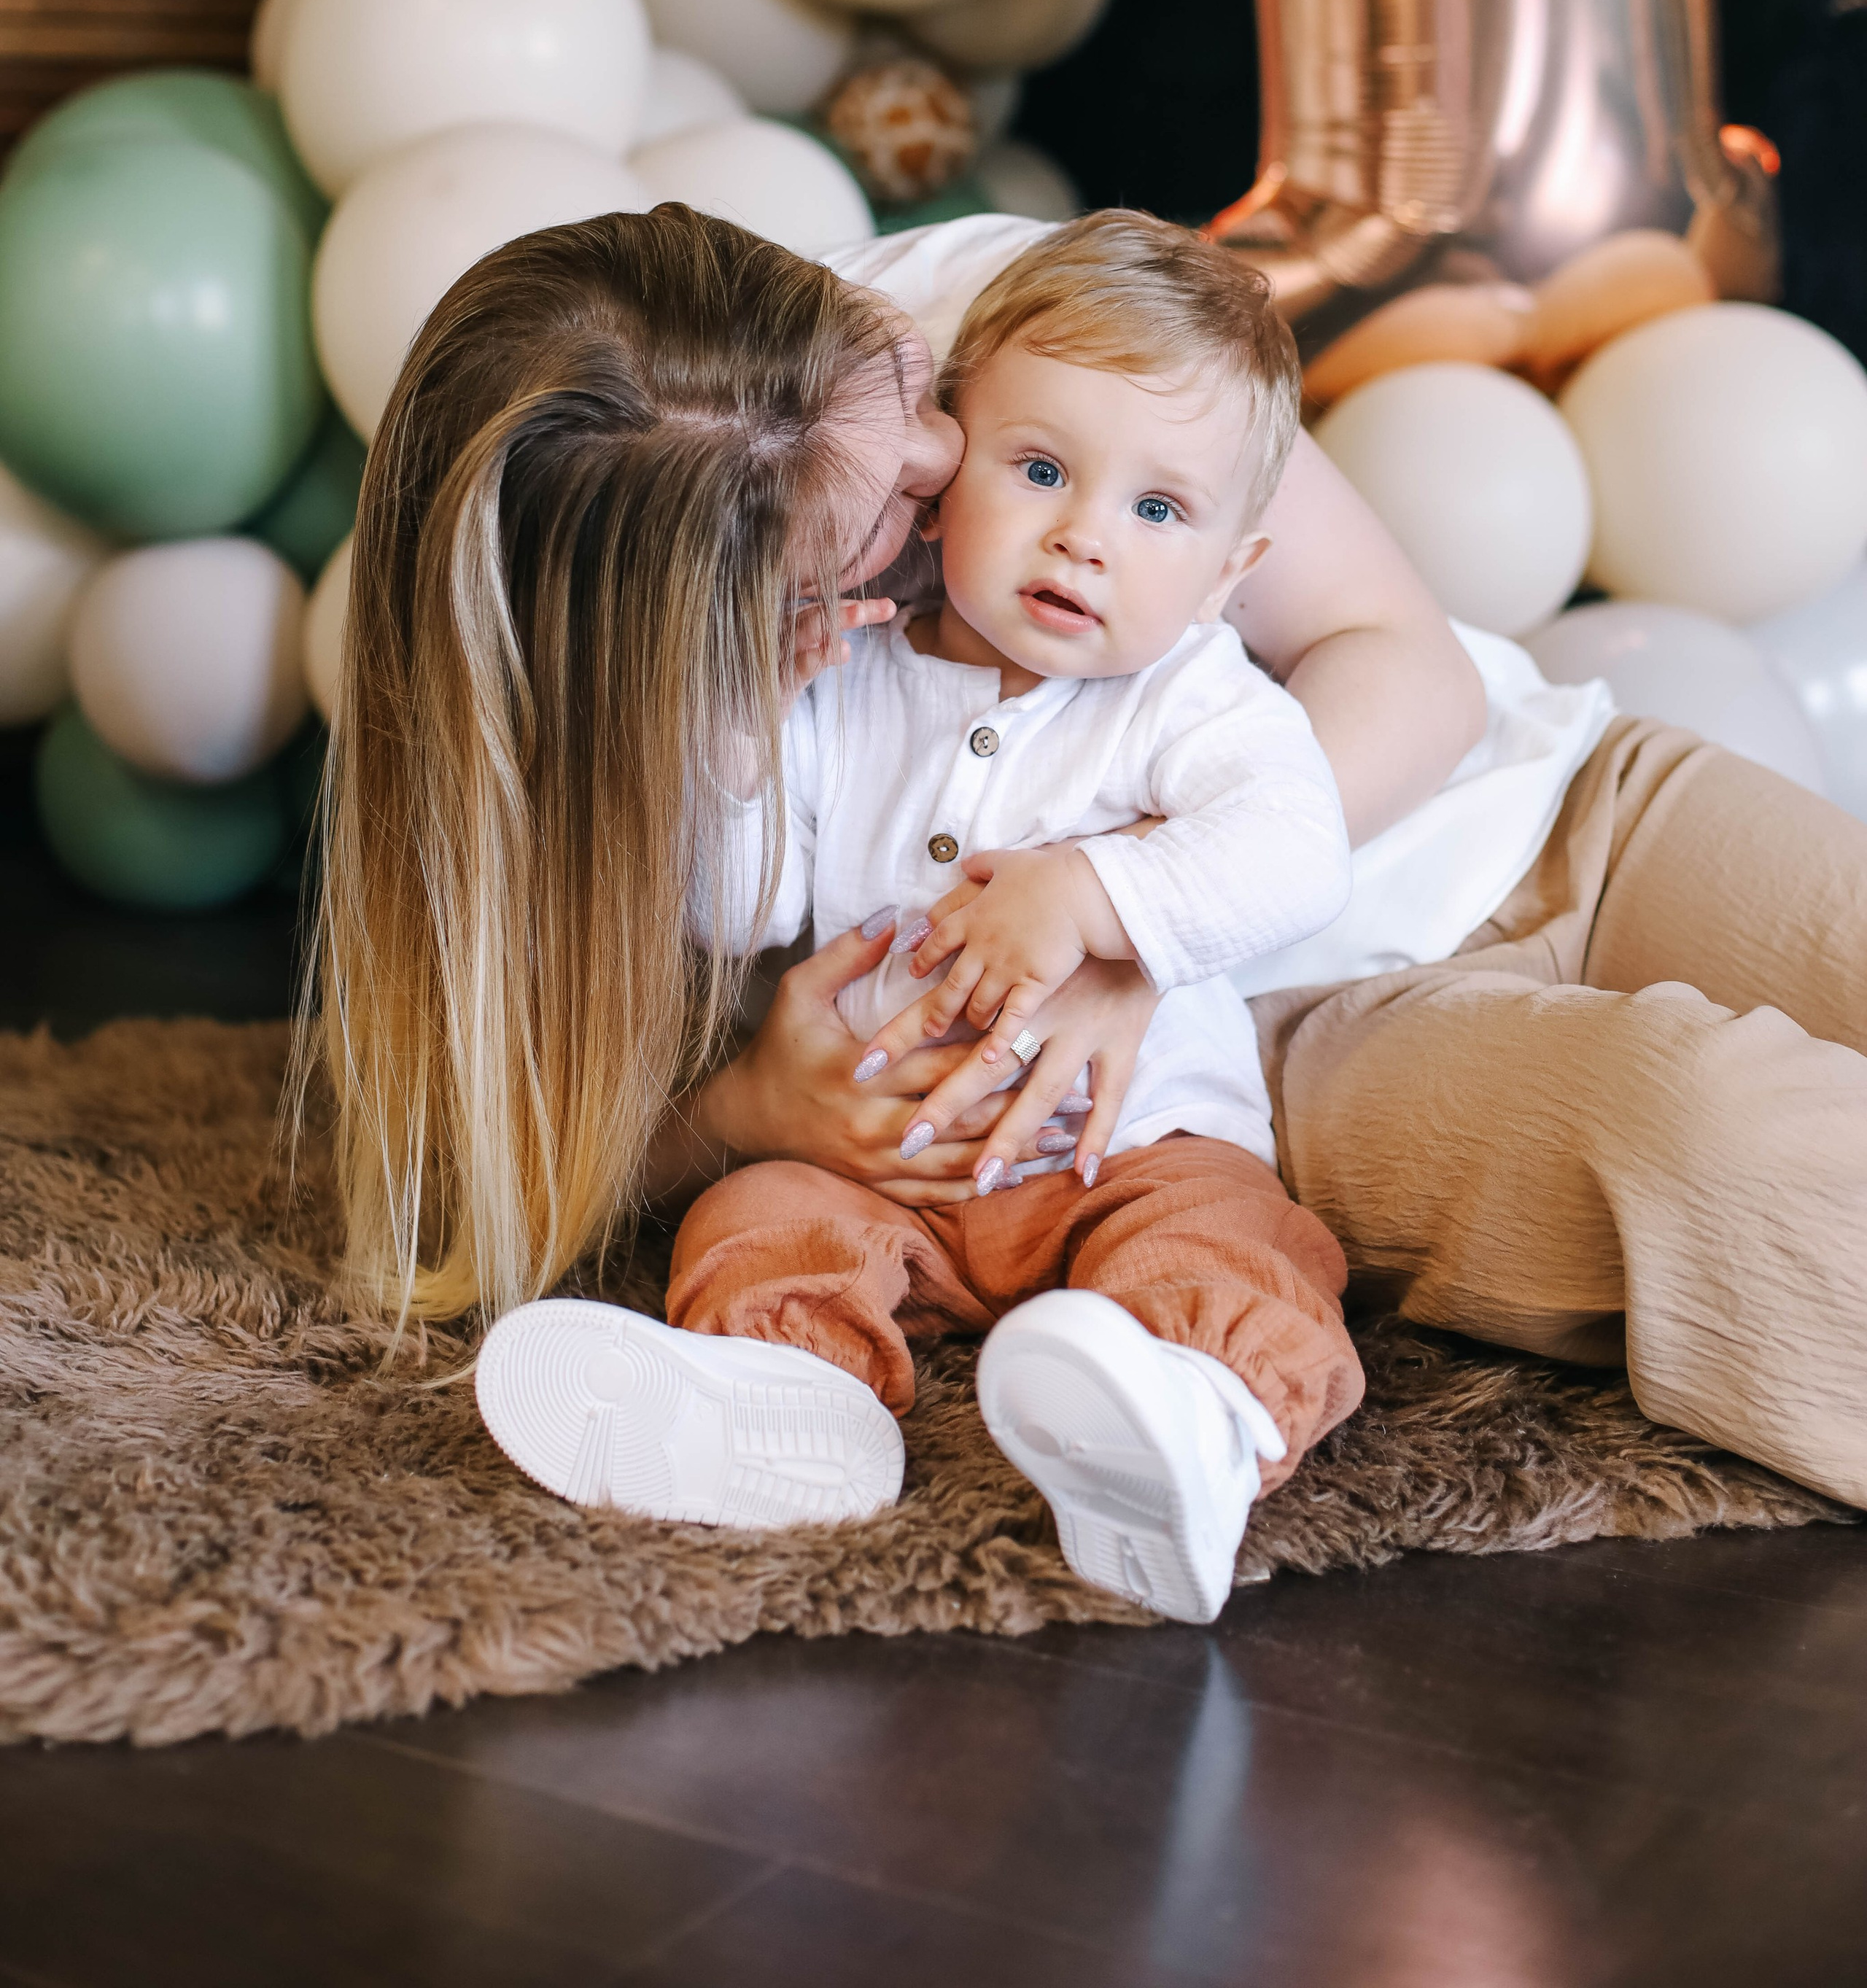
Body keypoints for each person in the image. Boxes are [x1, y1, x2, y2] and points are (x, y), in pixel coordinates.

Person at [308, 201, 1867, 1522]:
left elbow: (1404, 660)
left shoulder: (1034, 321)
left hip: (1550, 795)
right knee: (1719, 1138)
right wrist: (738, 1113)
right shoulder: (696, 719)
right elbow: (511, 1153)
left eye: (922, 405)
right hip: (1289, 1034)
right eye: (883, 529)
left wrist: (1125, 917)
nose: (946, 463)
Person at [473, 214, 1365, 1623]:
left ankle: (1194, 1422)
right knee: (758, 1212)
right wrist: (744, 725)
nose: (1084, 536)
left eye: (1157, 512)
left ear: (1228, 574)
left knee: (1223, 1251)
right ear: (947, 480)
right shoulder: (854, 680)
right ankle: (786, 1404)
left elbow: (1299, 850)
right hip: (888, 1162)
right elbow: (740, 903)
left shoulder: (1193, 698)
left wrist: (1095, 895)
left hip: (1122, 1151)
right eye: (1043, 470)